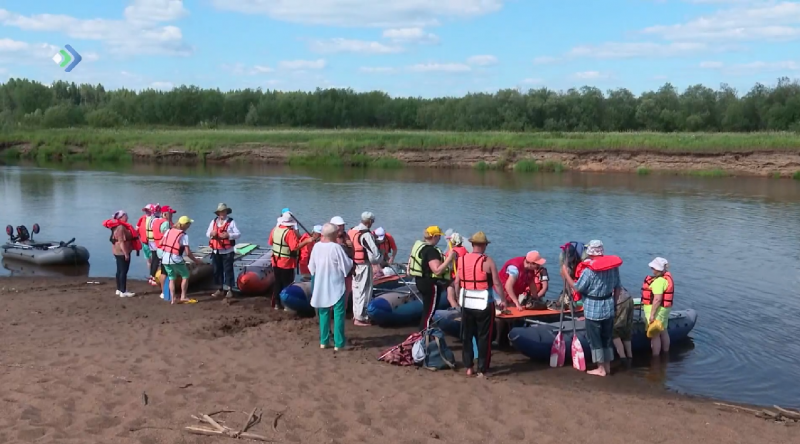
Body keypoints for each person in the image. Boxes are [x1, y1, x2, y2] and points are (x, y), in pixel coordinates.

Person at [564, 240, 623, 377]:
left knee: (595, 339)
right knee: (607, 338)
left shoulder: (589, 270)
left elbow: (578, 287)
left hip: (593, 308)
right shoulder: (613, 267)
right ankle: (607, 367)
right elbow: (618, 287)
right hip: (608, 305)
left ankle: (601, 368)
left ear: (590, 252)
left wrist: (566, 274)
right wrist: (614, 304)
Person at [454, 231, 505, 377]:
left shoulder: (461, 260)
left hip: (467, 302)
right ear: (484, 246)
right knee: (484, 337)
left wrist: (458, 299)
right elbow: (496, 283)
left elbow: (457, 282)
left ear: (472, 244)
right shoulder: (487, 261)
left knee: (467, 336)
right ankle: (482, 369)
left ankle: (469, 367)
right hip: (484, 304)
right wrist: (503, 300)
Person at [309, 223, 354, 351]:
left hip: (321, 283)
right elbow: (346, 266)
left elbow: (311, 267)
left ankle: (324, 341)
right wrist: (351, 262)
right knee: (339, 313)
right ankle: (339, 343)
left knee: (323, 312)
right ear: (334, 235)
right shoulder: (336, 247)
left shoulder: (317, 247)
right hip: (336, 284)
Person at [408, 226, 458, 331]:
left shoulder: (420, 245)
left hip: (420, 280)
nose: (440, 238)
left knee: (427, 310)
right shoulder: (431, 251)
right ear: (434, 236)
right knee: (429, 312)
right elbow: (437, 270)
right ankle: (423, 336)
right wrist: (449, 258)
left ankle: (423, 333)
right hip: (429, 284)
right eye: (439, 236)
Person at [159, 216, 204, 304]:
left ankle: (173, 299)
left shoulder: (169, 230)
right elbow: (188, 253)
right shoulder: (184, 235)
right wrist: (196, 261)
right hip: (175, 258)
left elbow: (161, 243)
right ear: (185, 225)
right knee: (185, 275)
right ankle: (183, 296)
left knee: (172, 278)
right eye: (189, 224)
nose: (189, 226)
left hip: (164, 258)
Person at [348, 212, 382, 326]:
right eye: (372, 222)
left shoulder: (352, 231)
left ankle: (356, 314)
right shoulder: (366, 234)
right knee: (365, 290)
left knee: (356, 290)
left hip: (353, 265)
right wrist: (381, 259)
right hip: (363, 265)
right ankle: (360, 317)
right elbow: (374, 255)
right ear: (369, 222)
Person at [206, 203, 241, 299]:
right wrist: (211, 234)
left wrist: (229, 235)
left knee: (228, 270)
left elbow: (238, 234)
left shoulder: (231, 222)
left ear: (226, 212)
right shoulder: (213, 222)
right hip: (216, 251)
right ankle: (220, 288)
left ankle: (230, 289)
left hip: (227, 251)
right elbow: (207, 233)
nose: (222, 213)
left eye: (224, 211)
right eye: (221, 212)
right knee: (217, 270)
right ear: (218, 213)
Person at [103, 210, 141, 298]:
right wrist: (126, 254)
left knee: (119, 270)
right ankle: (123, 291)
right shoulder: (121, 227)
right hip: (121, 252)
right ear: (121, 217)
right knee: (123, 271)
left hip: (116, 251)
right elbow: (121, 242)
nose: (127, 217)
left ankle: (119, 289)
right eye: (125, 215)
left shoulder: (117, 226)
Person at [269, 212, 302, 310]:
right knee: (287, 283)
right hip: (286, 262)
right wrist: (306, 242)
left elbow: (270, 242)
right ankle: (286, 305)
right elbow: (294, 247)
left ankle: (277, 304)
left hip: (275, 260)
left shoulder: (275, 229)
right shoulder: (290, 233)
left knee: (277, 282)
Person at [641, 257, 674, 356]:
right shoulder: (665, 278)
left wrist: (652, 315)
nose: (652, 270)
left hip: (657, 311)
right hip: (664, 310)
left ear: (658, 269)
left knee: (655, 335)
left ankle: (655, 357)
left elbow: (657, 299)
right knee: (663, 330)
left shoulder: (659, 281)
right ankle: (665, 353)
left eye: (653, 268)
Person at [613, 286, 634, 367]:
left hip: (620, 301)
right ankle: (630, 356)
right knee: (627, 328)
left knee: (614, 330)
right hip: (628, 298)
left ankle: (623, 358)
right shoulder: (612, 275)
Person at [136, 204, 156, 286]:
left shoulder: (156, 219)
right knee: (149, 260)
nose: (146, 212)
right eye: (145, 210)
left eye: (148, 210)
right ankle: (151, 276)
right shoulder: (142, 218)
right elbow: (136, 229)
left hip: (154, 243)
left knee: (156, 260)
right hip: (145, 242)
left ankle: (155, 276)